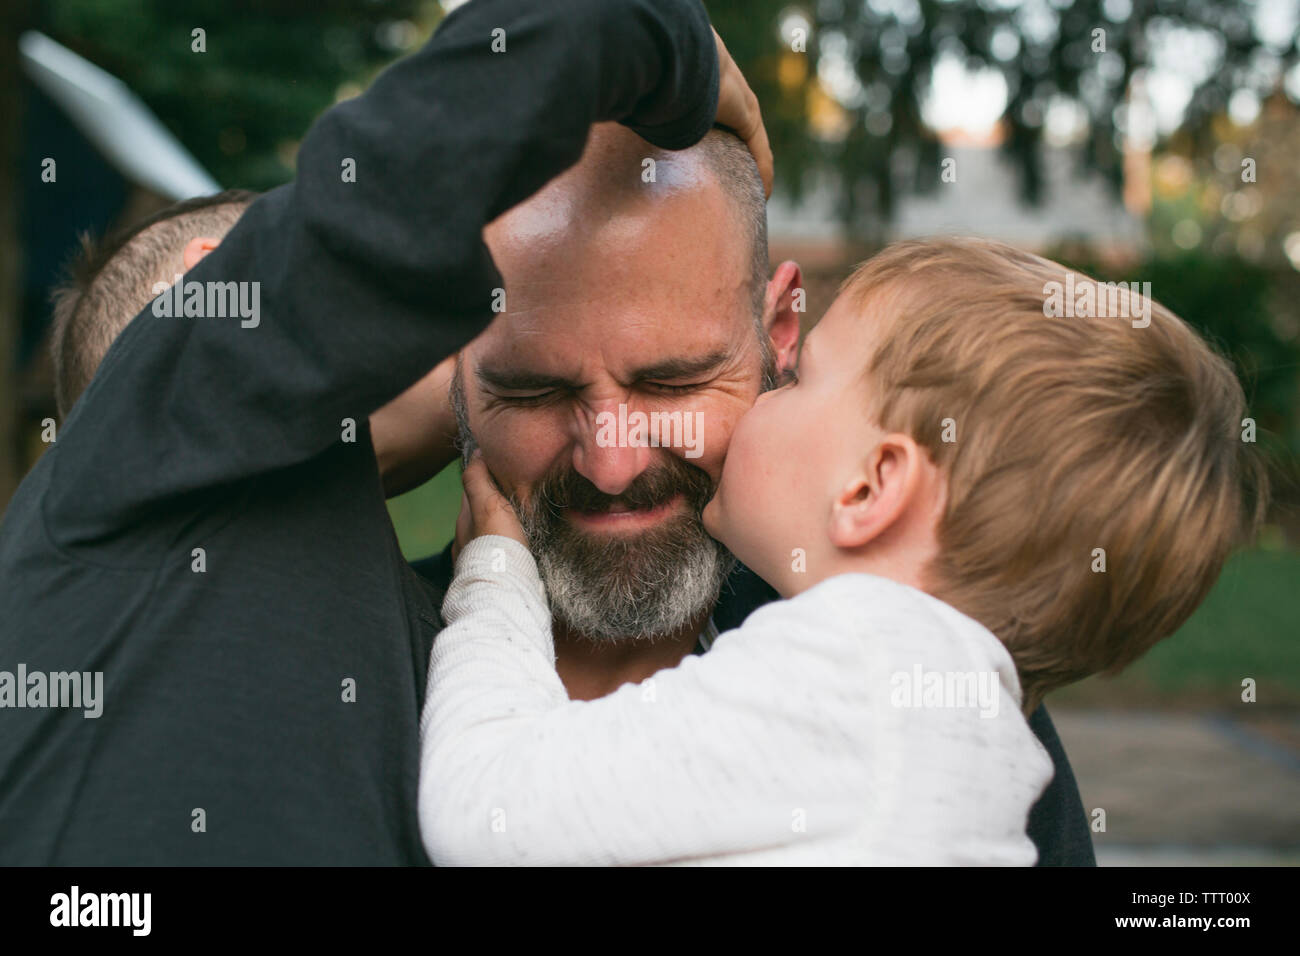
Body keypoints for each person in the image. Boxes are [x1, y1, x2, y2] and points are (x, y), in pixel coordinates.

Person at [0, 0, 762, 864]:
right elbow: (512, 74)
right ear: (212, 293)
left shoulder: (402, 637)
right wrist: (664, 40)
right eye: (528, 378)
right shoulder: (167, 408)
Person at [418, 236, 1266, 866]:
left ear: (868, 489)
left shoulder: (849, 669)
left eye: (805, 378)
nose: (771, 395)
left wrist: (495, 576)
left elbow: (479, 807)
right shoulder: (988, 740)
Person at [411, 122, 1097, 865]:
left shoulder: (912, 688)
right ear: (457, 372)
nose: (611, 466)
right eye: (535, 389)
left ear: (778, 333)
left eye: (673, 383)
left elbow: (484, 807)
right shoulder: (348, 661)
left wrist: (492, 574)